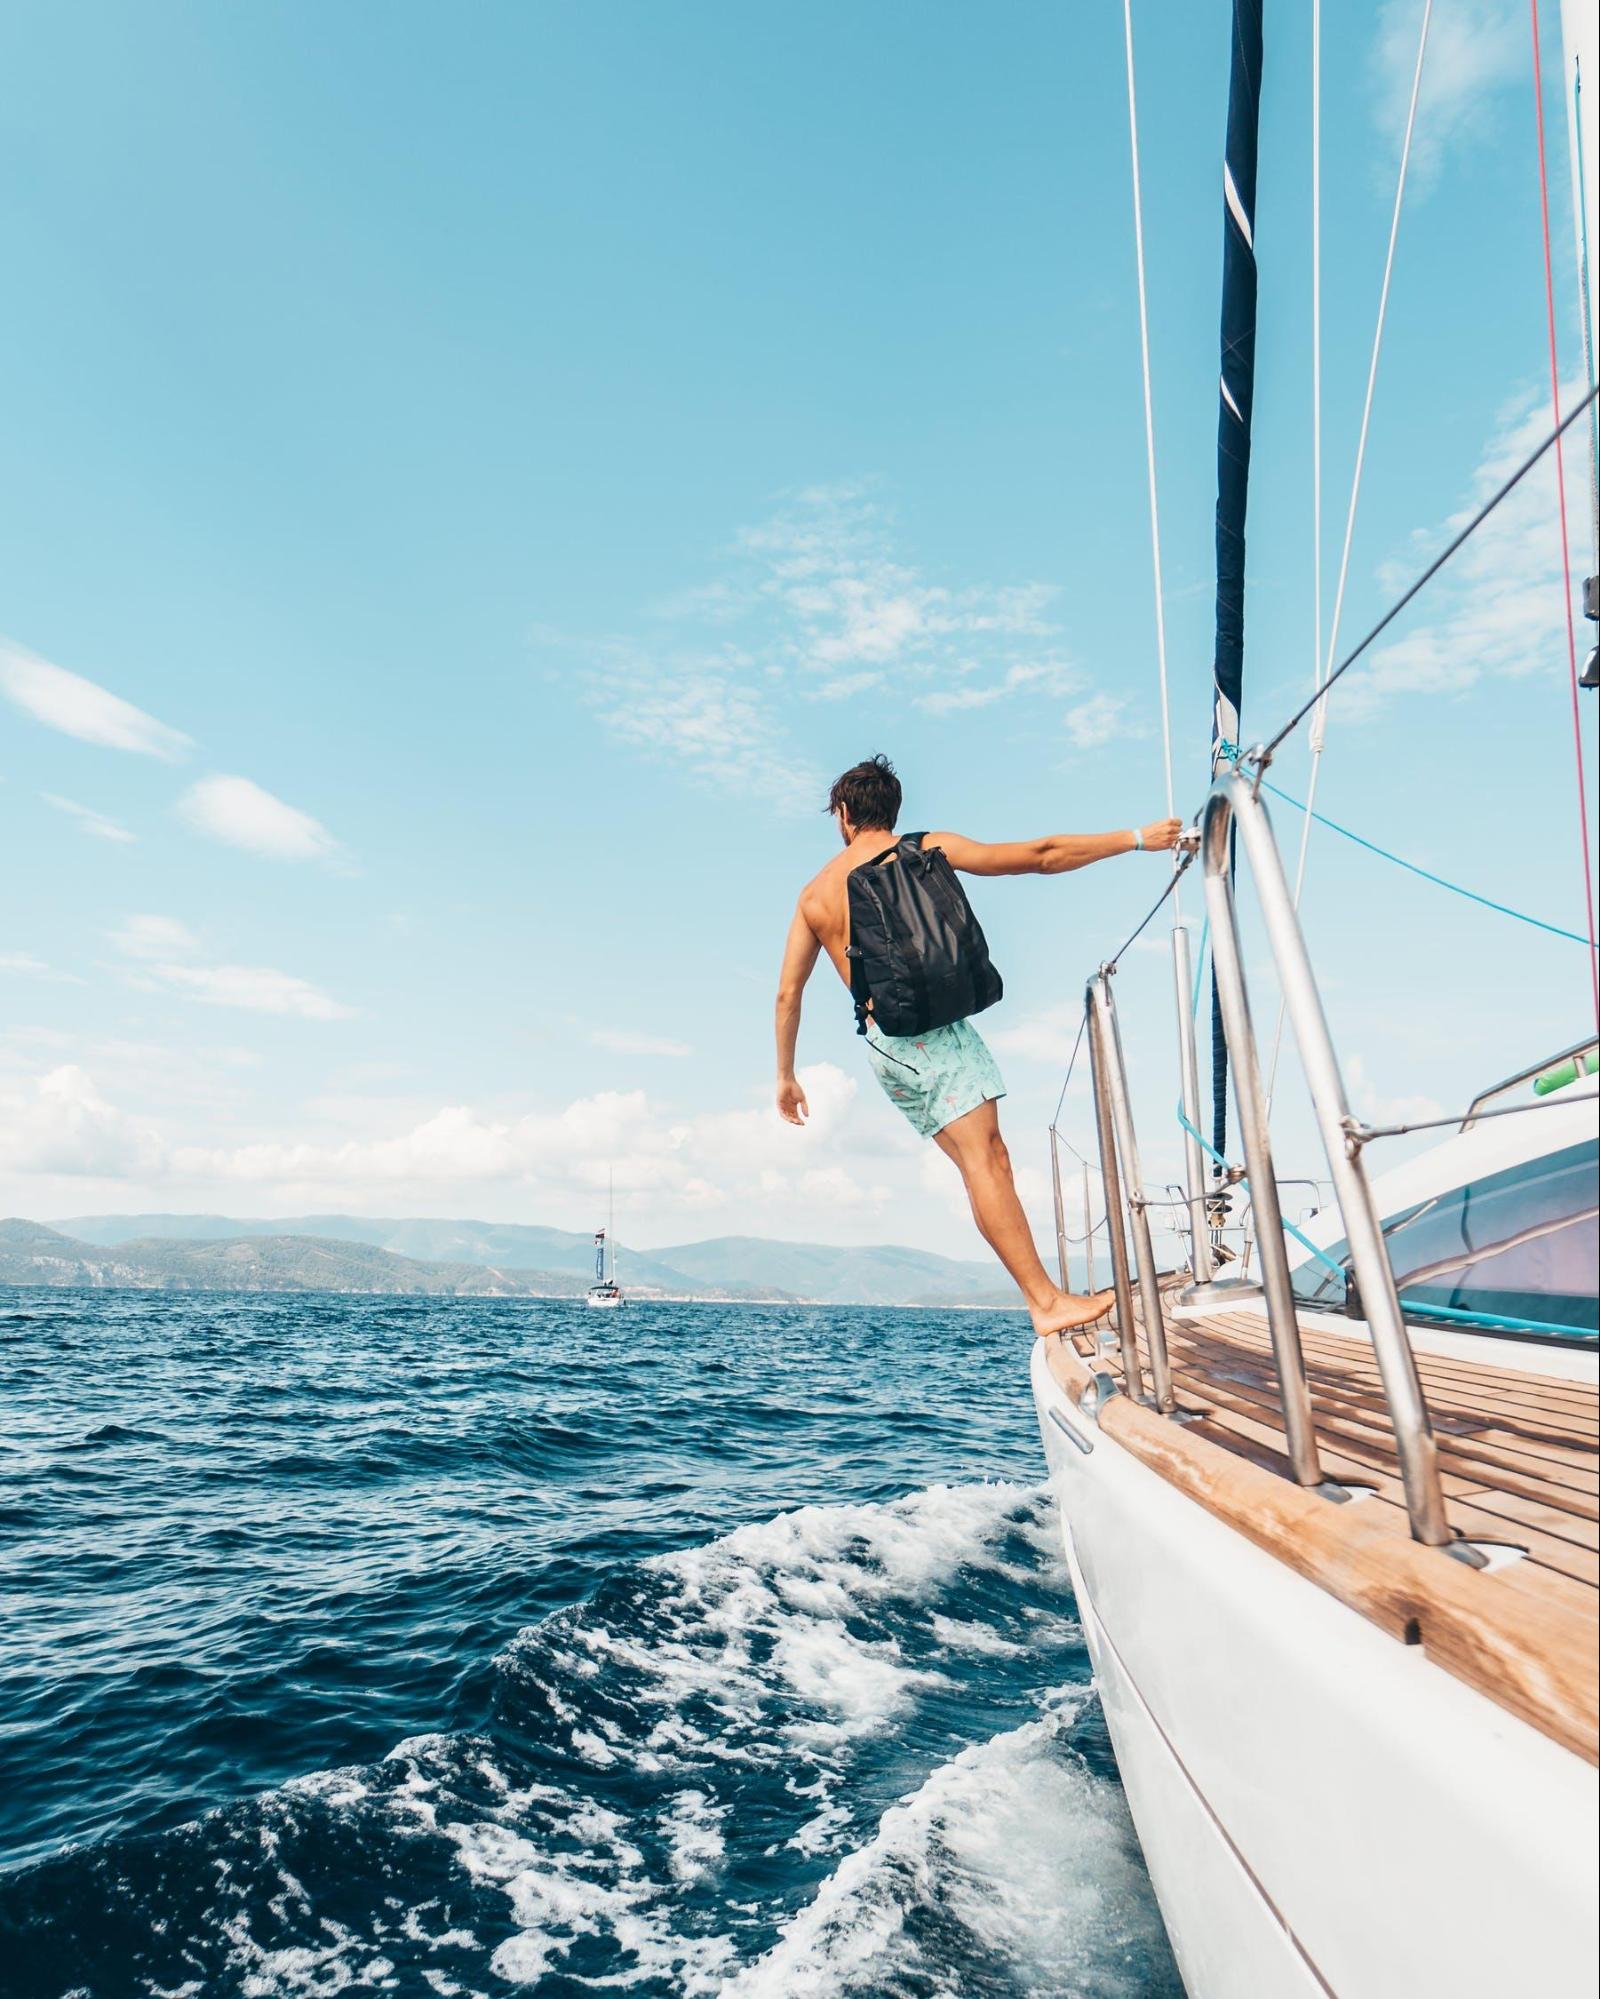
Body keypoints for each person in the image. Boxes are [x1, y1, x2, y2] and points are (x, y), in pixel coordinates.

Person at [774, 753, 1182, 1337]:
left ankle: (1043, 1299)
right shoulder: (927, 845)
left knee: (985, 1163)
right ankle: (1043, 1302)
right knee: (987, 1161)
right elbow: (1041, 857)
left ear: (842, 814)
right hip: (933, 1037)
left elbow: (788, 994)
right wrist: (1136, 839)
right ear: (892, 809)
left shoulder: (816, 894)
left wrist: (786, 1074)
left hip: (890, 1043)